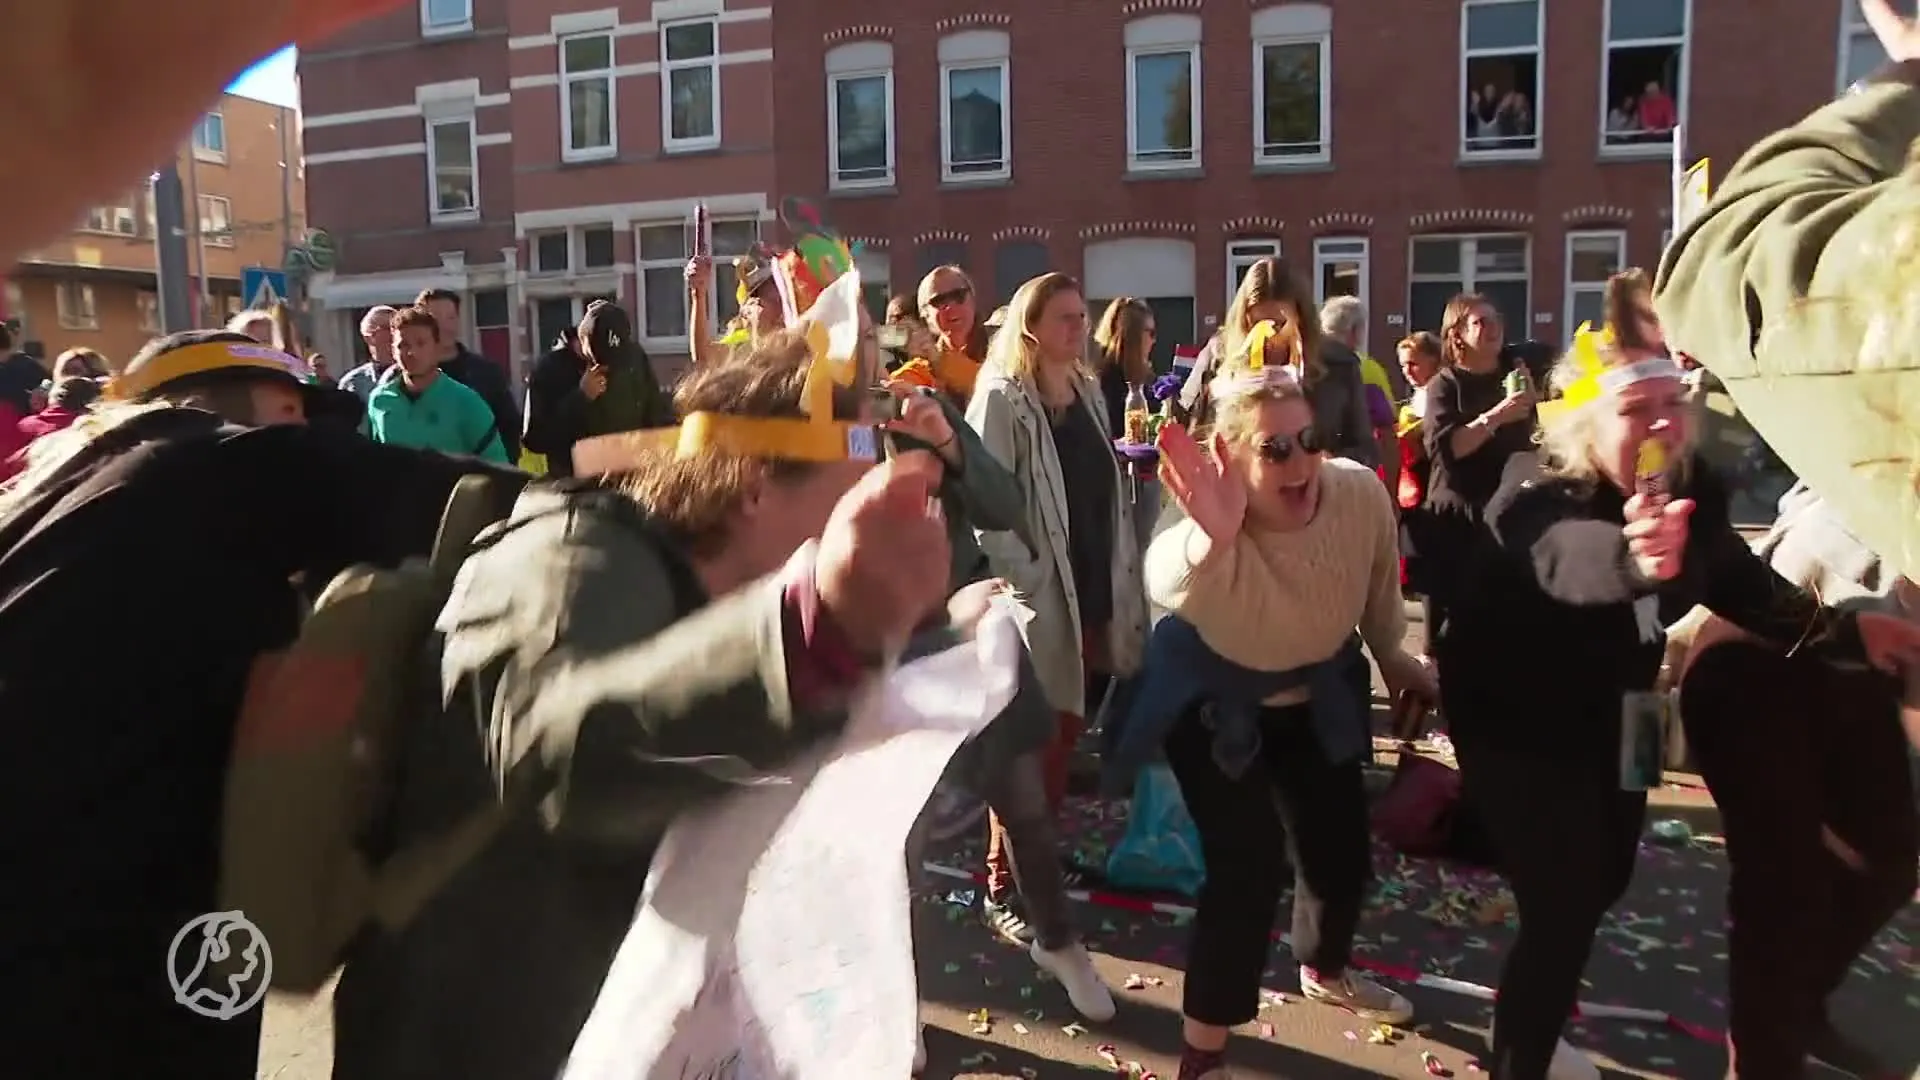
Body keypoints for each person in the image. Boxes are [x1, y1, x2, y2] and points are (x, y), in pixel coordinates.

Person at [329, 327, 954, 1080]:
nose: (862, 525)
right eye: (852, 495)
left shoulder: (714, 593)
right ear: (756, 486)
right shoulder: (564, 558)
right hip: (469, 1044)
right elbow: (562, 757)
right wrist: (812, 635)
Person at [0, 329, 526, 1080]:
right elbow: (441, 493)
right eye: (293, 414)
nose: (306, 433)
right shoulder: (205, 460)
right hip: (99, 907)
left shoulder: (73, 489)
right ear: (247, 410)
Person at [1436, 323, 1920, 1080]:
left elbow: (1744, 585)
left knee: (1606, 877)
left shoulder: (1689, 490)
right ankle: (1520, 1054)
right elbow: (1566, 559)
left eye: (1672, 401)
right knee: (1562, 904)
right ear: (1586, 422)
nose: (1661, 422)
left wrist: (1856, 636)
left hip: (1625, 707)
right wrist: (1633, 558)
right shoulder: (1530, 488)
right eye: (1635, 408)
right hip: (1516, 724)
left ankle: (1534, 1008)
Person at [1120, 343, 1433, 1080]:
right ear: (1229, 454)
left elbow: (1382, 602)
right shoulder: (1209, 517)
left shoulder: (1357, 495)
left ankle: (1323, 968)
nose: (1301, 463)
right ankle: (1204, 1055)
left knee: (1340, 851)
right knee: (1248, 868)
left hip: (1313, 689)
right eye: (1276, 448)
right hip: (1217, 706)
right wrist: (1212, 533)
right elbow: (1163, 575)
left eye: (1310, 440)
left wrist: (1397, 660)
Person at [1674, 483, 1918, 1079]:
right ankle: (1762, 1062)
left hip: (1860, 679)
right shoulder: (1878, 479)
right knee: (1784, 889)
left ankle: (1800, 1008)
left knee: (1888, 857)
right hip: (1759, 670)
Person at [967, 272, 1149, 953]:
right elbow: (986, 505)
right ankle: (1001, 884)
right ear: (1031, 326)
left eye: (1083, 315)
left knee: (1066, 732)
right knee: (1027, 749)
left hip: (1093, 587)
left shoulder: (1088, 391)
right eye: (1066, 317)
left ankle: (1038, 855)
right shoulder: (1002, 399)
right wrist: (1030, 576)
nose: (1080, 327)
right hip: (1041, 599)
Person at [1417, 293, 1535, 643]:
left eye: (1495, 318)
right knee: (1452, 627)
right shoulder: (1445, 384)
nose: (1493, 327)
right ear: (1457, 336)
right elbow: (1445, 449)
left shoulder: (1517, 372)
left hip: (1509, 512)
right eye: (1480, 322)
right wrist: (1497, 416)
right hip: (1460, 515)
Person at [522, 301, 672, 476]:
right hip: (579, 489)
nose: (610, 368)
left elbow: (656, 413)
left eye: (616, 361)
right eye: (601, 360)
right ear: (581, 340)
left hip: (632, 481)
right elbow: (534, 439)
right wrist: (580, 398)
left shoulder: (634, 359)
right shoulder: (549, 369)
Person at [363, 306, 511, 462]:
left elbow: (498, 467)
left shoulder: (466, 402)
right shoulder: (379, 401)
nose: (412, 352)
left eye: (421, 343)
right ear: (393, 351)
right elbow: (374, 464)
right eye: (403, 345)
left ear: (437, 347)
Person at [414, 288, 523, 460]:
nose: (445, 327)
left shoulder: (486, 373)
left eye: (451, 318)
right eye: (435, 319)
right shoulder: (405, 378)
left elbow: (508, 429)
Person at [338, 305, 397, 401]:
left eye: (397, 327)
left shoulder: (416, 377)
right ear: (369, 337)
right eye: (388, 328)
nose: (394, 332)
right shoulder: (353, 383)